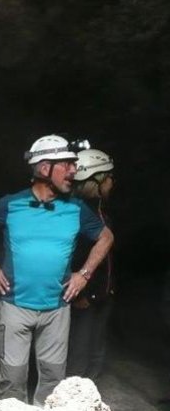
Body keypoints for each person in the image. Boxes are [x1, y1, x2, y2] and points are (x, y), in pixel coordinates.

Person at [0, 135, 114, 406]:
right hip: (15, 306)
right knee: (12, 380)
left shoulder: (76, 209)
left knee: (53, 382)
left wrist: (84, 274)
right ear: (44, 168)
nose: (74, 170)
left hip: (57, 309)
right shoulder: (12, 204)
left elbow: (106, 237)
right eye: (67, 165)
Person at [67, 148, 116, 380]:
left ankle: (90, 402)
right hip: (83, 296)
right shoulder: (76, 211)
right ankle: (69, 404)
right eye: (108, 177)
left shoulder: (100, 211)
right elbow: (69, 257)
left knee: (96, 350)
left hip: (101, 293)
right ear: (95, 180)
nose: (111, 182)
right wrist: (78, 295)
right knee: (78, 353)